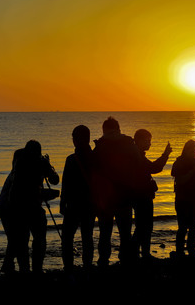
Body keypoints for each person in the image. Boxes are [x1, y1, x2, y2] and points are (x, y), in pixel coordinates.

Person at [91, 117, 140, 267]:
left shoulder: (100, 146)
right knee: (125, 233)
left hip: (106, 199)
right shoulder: (129, 144)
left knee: (105, 233)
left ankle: (103, 262)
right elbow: (138, 165)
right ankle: (125, 261)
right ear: (118, 129)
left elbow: (93, 172)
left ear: (104, 130)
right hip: (125, 196)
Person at [8, 140, 59, 275]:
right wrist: (48, 165)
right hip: (33, 206)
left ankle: (24, 269)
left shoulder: (19, 159)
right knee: (39, 239)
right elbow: (55, 180)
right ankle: (37, 269)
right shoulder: (39, 162)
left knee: (22, 241)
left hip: (18, 206)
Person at [131, 129, 172, 261]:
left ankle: (138, 253)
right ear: (139, 140)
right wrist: (165, 154)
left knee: (143, 225)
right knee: (145, 226)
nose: (150, 144)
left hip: (140, 195)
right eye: (147, 141)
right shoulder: (137, 155)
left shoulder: (137, 154)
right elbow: (154, 168)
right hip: (142, 196)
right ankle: (139, 253)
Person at [60, 125, 95, 273]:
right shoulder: (96, 158)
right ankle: (87, 266)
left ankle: (68, 268)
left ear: (75, 140)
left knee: (67, 239)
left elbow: (66, 184)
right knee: (87, 237)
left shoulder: (71, 160)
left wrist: (63, 203)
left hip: (73, 205)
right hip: (90, 203)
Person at [171, 140, 195, 258]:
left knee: (194, 228)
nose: (194, 152)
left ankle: (191, 250)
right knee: (183, 227)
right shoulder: (179, 162)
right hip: (183, 199)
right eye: (192, 150)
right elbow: (180, 181)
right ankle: (180, 251)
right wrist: (192, 172)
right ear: (186, 150)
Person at [0, 148, 24, 276]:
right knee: (14, 238)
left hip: (5, 206)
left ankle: (9, 266)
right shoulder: (16, 174)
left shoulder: (16, 172)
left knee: (13, 238)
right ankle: (8, 265)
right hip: (7, 207)